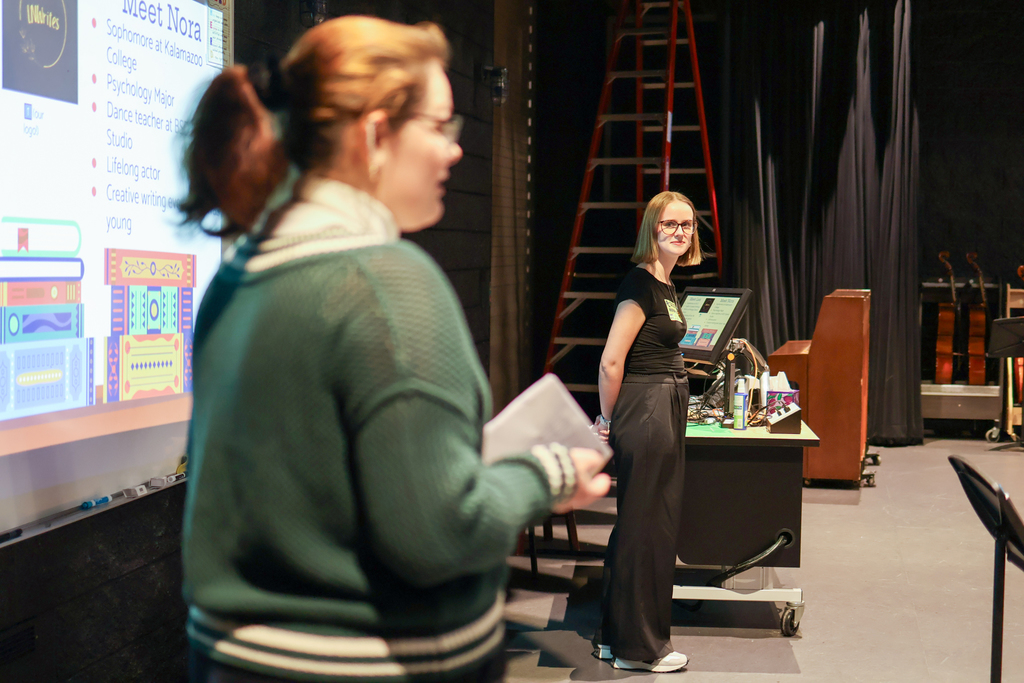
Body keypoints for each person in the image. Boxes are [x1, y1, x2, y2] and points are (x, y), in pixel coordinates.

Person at [178, 16, 610, 683]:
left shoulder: (236, 277)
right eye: (440, 127)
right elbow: (438, 533)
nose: (455, 152)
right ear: (376, 133)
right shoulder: (387, 284)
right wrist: (547, 476)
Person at [591, 191, 703, 673]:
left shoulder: (664, 283)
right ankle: (640, 650)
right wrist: (608, 421)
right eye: (670, 224)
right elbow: (611, 360)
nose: (681, 231)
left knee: (637, 526)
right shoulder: (640, 283)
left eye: (688, 225)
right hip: (647, 409)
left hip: (660, 404)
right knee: (649, 529)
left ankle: (611, 638)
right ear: (651, 229)